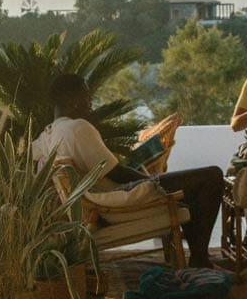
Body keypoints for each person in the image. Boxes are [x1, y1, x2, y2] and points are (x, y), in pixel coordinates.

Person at [33, 73, 225, 268]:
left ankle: (199, 258)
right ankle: (200, 258)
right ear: (72, 101)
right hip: (117, 200)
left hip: (97, 202)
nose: (90, 103)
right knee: (212, 176)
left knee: (191, 185)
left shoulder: (47, 134)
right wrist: (153, 181)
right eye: (86, 97)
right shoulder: (78, 128)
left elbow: (30, 160)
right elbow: (116, 173)